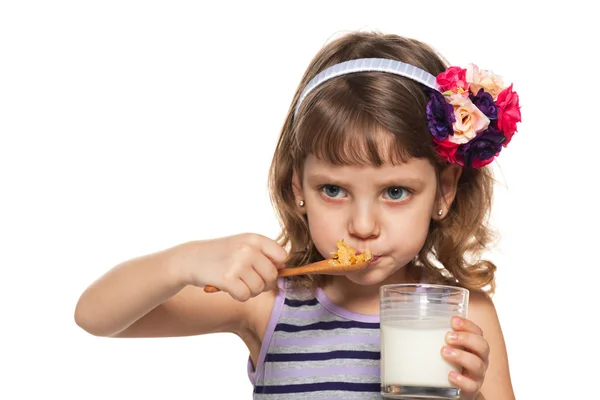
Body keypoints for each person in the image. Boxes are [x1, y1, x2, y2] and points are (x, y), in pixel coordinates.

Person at [75, 30, 520, 399]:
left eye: (396, 192)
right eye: (333, 190)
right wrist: (181, 263)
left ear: (443, 192)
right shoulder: (269, 301)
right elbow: (95, 317)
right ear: (297, 189)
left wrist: (472, 393)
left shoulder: (464, 315)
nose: (363, 226)